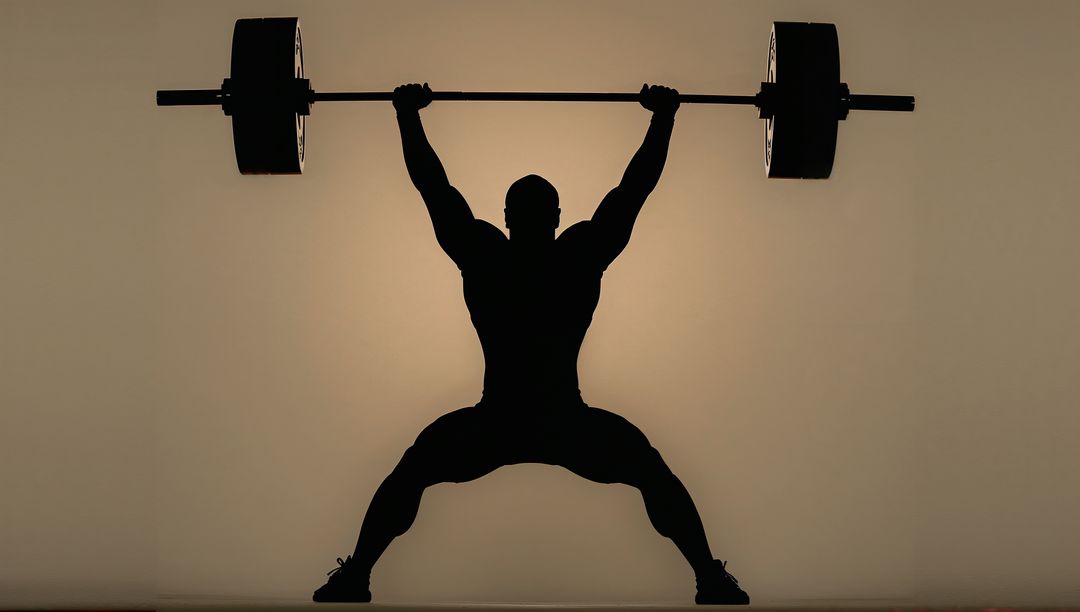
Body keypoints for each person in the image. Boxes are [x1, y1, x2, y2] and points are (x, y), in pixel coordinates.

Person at [313, 83, 748, 605]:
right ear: (556, 217)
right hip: (559, 420)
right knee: (650, 470)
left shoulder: (488, 255)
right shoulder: (574, 256)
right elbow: (632, 190)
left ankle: (356, 576)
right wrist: (663, 118)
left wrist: (408, 114)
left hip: (503, 420)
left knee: (415, 468)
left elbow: (434, 187)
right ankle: (709, 578)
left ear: (506, 216)